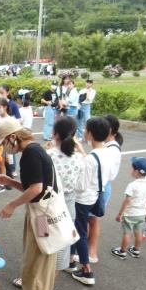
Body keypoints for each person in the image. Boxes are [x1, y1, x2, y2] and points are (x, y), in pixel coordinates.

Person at [0, 120, 58, 290]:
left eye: (5, 142)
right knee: (39, 261)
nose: (5, 148)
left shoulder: (30, 154)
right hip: (44, 214)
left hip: (41, 217)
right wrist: (11, 182)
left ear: (14, 137)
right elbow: (35, 185)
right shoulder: (36, 149)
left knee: (36, 264)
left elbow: (36, 188)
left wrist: (11, 205)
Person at [67, 117, 112, 286]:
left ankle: (87, 270)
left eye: (85, 129)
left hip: (83, 199)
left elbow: (80, 186)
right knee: (77, 228)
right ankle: (71, 261)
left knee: (80, 233)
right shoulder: (107, 151)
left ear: (90, 134)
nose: (83, 132)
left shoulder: (91, 159)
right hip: (95, 195)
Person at [47, 117, 83, 273]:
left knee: (42, 240)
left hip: (45, 207)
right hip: (68, 207)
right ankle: (50, 286)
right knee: (62, 244)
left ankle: (36, 283)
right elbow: (82, 186)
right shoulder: (79, 158)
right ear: (74, 135)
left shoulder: (48, 155)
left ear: (54, 133)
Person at [87, 114, 123, 263]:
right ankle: (88, 251)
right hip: (99, 186)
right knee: (90, 220)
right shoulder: (108, 147)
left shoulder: (112, 149)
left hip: (99, 187)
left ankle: (92, 252)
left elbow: (108, 174)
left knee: (93, 220)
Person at [111, 158, 146, 259]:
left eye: (132, 169)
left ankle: (122, 251)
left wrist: (120, 214)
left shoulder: (132, 185)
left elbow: (127, 201)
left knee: (127, 233)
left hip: (130, 214)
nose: (131, 171)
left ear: (136, 171)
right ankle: (136, 250)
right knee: (138, 232)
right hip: (142, 213)